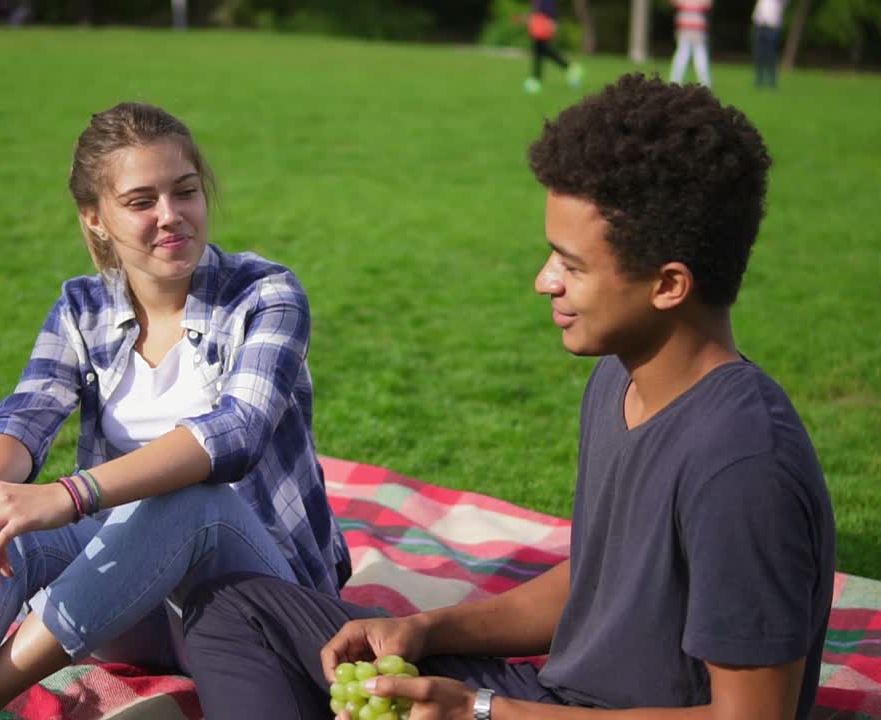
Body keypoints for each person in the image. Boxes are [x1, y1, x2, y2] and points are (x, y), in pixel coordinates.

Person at [180, 74, 836, 720]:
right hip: (547, 699)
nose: (543, 281)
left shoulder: (744, 466)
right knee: (232, 608)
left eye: (571, 265)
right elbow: (596, 586)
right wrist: (424, 630)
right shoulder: (618, 379)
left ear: (668, 284)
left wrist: (483, 711)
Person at [0, 102, 352, 720]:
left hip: (258, 599)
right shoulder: (82, 306)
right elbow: (26, 414)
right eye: (140, 201)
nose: (171, 216)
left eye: (185, 192)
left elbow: (235, 436)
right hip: (124, 598)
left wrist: (67, 495)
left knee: (194, 497)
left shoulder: (266, 294)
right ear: (96, 219)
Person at [522, 0, 584, 94]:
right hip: (539, 22)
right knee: (541, 51)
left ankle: (536, 79)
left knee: (541, 50)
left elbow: (548, 7)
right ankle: (568, 68)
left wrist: (551, 21)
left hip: (543, 23)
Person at [669, 0, 713, 87]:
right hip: (688, 27)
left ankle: (675, 81)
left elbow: (708, 4)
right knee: (686, 55)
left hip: (696, 27)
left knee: (695, 56)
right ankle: (705, 83)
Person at [753, 0, 786, 88]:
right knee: (759, 54)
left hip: (772, 27)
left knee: (771, 55)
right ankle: (759, 79)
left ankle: (772, 80)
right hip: (760, 25)